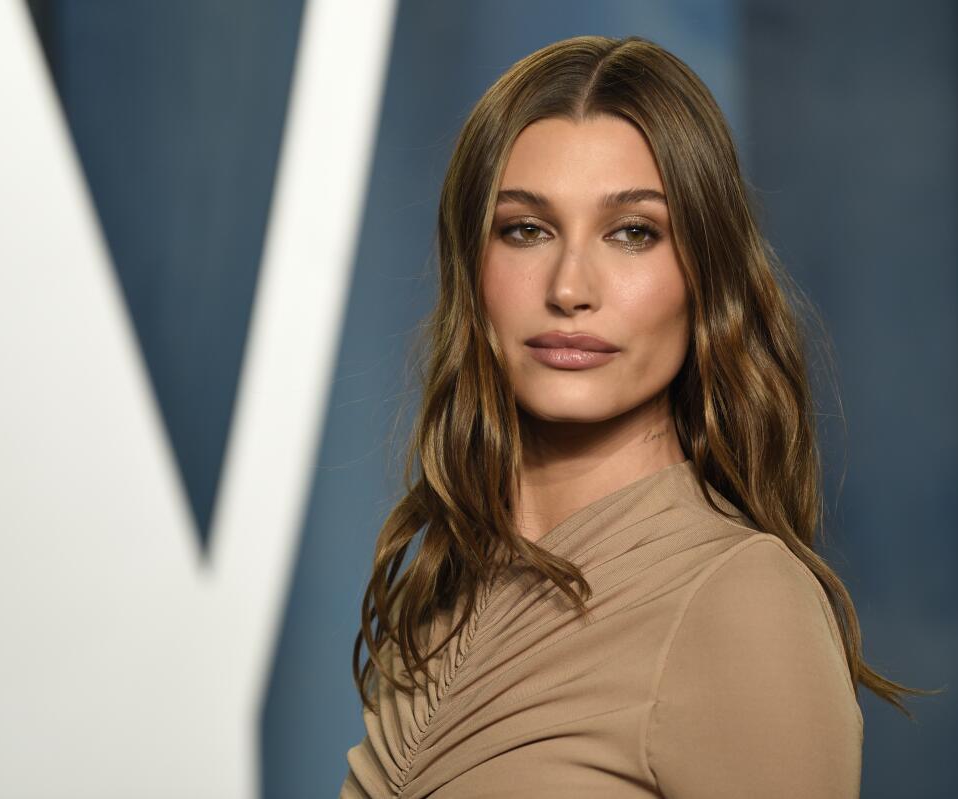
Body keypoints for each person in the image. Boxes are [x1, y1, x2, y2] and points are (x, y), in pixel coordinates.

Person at [341, 34, 925, 798]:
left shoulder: (739, 603)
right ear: (471, 270)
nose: (571, 286)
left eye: (633, 233)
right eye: (526, 229)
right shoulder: (442, 595)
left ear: (704, 276)